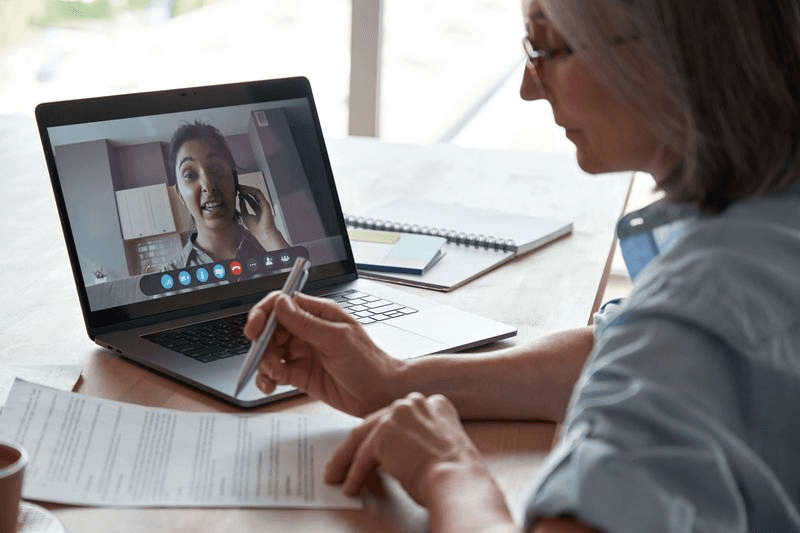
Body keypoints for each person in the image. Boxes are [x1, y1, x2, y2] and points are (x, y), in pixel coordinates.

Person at [243, 0, 800, 531]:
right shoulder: (766, 226)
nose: (528, 86)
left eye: (546, 46)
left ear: (670, 47)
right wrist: (393, 381)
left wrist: (448, 473)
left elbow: (668, 347)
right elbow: (617, 348)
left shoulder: (700, 303)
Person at [165, 121, 289, 269]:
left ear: (234, 180)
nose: (208, 186)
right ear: (180, 195)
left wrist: (268, 236)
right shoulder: (172, 275)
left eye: (217, 169)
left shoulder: (270, 249)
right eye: (190, 174)